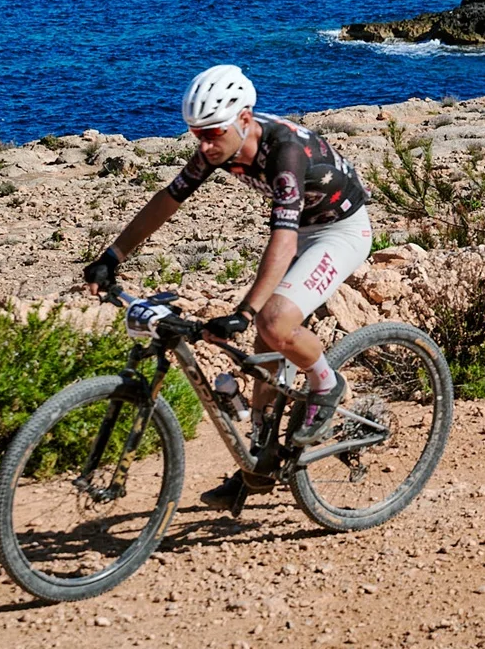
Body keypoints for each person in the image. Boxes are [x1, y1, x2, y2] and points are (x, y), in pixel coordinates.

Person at [81, 63, 373, 510]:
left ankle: (325, 383)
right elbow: (167, 199)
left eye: (212, 132)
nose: (204, 143)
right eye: (196, 133)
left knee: (272, 320)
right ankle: (259, 460)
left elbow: (285, 236)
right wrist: (113, 255)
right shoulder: (217, 148)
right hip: (296, 231)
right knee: (265, 351)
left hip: (339, 231)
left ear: (243, 119)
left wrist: (247, 309)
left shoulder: (284, 151)